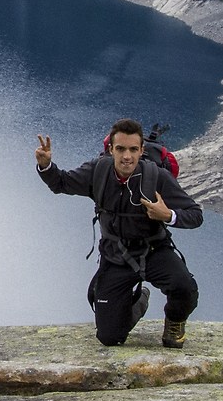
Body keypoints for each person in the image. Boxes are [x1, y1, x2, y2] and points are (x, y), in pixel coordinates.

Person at [36, 118, 202, 348]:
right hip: (116, 256)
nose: (127, 156)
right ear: (111, 150)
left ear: (142, 151)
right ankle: (138, 302)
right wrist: (46, 167)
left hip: (153, 251)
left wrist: (169, 215)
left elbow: (195, 215)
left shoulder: (156, 177)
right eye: (121, 149)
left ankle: (174, 321)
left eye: (133, 150)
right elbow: (61, 183)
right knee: (109, 337)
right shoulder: (98, 171)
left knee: (185, 287)